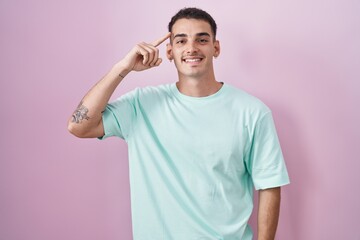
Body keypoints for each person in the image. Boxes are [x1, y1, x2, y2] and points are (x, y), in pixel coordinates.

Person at [68, 7, 290, 240]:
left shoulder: (252, 112)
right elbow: (79, 126)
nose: (192, 48)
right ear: (170, 51)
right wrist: (122, 68)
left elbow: (270, 185)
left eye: (202, 40)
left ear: (216, 48)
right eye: (181, 40)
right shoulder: (141, 105)